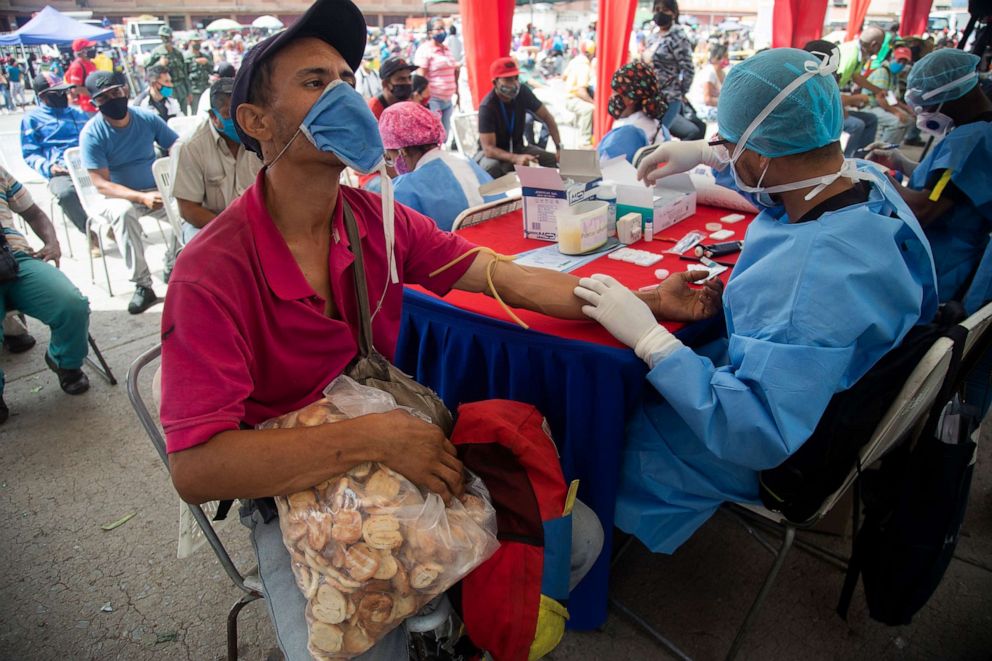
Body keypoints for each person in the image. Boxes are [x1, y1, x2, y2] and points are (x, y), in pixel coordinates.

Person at [160, 2, 730, 656]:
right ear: (256, 122)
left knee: (575, 541)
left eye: (348, 79)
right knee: (363, 642)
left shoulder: (378, 218)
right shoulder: (212, 271)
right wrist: (372, 437)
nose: (343, 94)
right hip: (291, 481)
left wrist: (648, 298)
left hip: (398, 433)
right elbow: (197, 466)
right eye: (316, 82)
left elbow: (507, 277)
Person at [593, 47, 938, 554]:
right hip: (828, 386)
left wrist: (653, 342)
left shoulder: (806, 277)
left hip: (773, 440)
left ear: (758, 157)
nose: (727, 156)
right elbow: (787, 181)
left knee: (609, 429)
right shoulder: (865, 180)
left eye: (732, 148)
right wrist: (710, 154)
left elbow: (751, 432)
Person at [867, 49, 992, 309]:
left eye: (925, 106)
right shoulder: (976, 130)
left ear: (951, 96)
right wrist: (901, 163)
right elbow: (947, 184)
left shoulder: (970, 142)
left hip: (940, 267)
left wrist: (876, 176)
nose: (924, 113)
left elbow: (926, 208)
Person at [79, 71, 179, 314]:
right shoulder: (92, 134)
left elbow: (176, 144)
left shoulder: (146, 119)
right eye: (104, 97)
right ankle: (142, 285)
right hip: (117, 197)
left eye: (116, 92)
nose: (113, 99)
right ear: (95, 103)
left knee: (184, 207)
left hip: (154, 190)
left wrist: (171, 175)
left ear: (125, 90)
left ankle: (174, 263)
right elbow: (101, 184)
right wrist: (139, 197)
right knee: (124, 214)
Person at [0, 165, 91, 424]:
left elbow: (34, 213)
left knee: (72, 304)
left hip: (15, 256)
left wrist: (52, 243)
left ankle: (64, 360)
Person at [379, 101, 501, 232]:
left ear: (401, 151)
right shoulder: (466, 161)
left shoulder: (404, 189)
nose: (391, 162)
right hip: (501, 242)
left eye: (389, 156)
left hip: (460, 251)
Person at [173, 78, 262, 243]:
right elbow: (188, 209)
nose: (238, 120)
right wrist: (233, 229)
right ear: (214, 116)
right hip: (208, 224)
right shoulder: (190, 146)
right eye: (228, 113)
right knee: (205, 255)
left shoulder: (260, 136)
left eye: (242, 112)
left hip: (254, 221)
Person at [20, 74, 97, 253]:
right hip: (60, 170)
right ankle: (90, 233)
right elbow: (30, 153)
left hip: (88, 165)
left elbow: (93, 138)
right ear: (43, 97)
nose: (63, 95)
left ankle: (111, 224)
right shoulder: (32, 120)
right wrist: (48, 167)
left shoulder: (78, 114)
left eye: (64, 91)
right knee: (66, 193)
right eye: (57, 93)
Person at [476, 57, 560, 178]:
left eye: (516, 78)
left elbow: (547, 117)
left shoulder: (523, 92)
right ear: (495, 82)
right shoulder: (487, 106)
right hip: (493, 155)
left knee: (550, 160)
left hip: (518, 148)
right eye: (508, 79)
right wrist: (515, 158)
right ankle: (498, 196)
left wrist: (559, 148)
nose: (514, 84)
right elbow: (489, 149)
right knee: (491, 167)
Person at [804, 39, 879, 159]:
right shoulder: (814, 77)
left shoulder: (826, 75)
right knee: (856, 124)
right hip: (818, 116)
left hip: (830, 111)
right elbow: (834, 107)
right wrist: (854, 99)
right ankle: (847, 161)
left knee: (870, 119)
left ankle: (860, 157)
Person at [598, 60, 670, 164]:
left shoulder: (627, 135)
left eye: (615, 92)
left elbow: (600, 170)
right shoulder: (660, 128)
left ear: (630, 99)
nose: (611, 97)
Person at [649, 0, 694, 130]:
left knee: (659, 134)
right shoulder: (653, 37)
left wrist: (681, 91)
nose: (660, 13)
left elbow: (688, 69)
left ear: (674, 13)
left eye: (665, 10)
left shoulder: (678, 37)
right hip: (650, 96)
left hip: (669, 97)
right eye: (657, 10)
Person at [414, 17, 460, 138]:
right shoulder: (425, 50)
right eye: (438, 28)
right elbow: (420, 77)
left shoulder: (446, 49)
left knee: (444, 136)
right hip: (433, 100)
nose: (442, 31)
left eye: (443, 28)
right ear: (430, 32)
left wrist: (457, 92)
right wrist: (421, 100)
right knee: (434, 135)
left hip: (448, 100)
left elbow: (454, 70)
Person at [862, 46, 914, 144]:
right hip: (870, 106)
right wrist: (896, 112)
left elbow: (891, 98)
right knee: (897, 121)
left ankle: (892, 148)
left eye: (904, 62)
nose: (901, 65)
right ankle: (882, 150)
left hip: (881, 106)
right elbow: (880, 97)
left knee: (909, 119)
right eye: (899, 61)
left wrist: (907, 109)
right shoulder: (883, 72)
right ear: (891, 58)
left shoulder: (892, 75)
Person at [146, 26, 193, 114]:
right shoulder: (157, 52)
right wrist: (159, 64)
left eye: (167, 37)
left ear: (171, 37)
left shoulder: (177, 53)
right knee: (170, 110)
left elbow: (185, 73)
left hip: (181, 86)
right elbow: (149, 70)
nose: (166, 39)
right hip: (166, 86)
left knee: (183, 112)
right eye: (163, 37)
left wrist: (189, 91)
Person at [836, 26, 887, 97]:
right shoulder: (852, 54)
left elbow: (857, 77)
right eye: (880, 45)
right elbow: (836, 84)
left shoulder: (858, 52)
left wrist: (878, 91)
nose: (881, 49)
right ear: (874, 45)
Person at [562, 42, 595, 145]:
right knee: (590, 109)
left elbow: (564, 77)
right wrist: (594, 102)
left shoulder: (574, 61)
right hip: (573, 99)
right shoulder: (584, 67)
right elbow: (581, 92)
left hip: (569, 96)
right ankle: (584, 140)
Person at [687, 42, 726, 121]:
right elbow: (707, 99)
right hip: (701, 108)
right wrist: (727, 103)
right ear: (717, 57)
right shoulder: (709, 72)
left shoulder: (722, 73)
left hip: (714, 106)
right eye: (725, 57)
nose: (727, 60)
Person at [65, 39, 98, 115]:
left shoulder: (91, 63)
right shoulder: (77, 66)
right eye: (89, 48)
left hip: (96, 104)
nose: (93, 49)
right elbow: (75, 89)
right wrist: (95, 92)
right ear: (82, 51)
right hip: (87, 107)